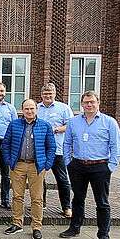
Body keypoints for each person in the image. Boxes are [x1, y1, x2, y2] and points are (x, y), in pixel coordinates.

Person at [59, 91, 120, 239]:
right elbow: (67, 143)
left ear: (98, 102)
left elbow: (117, 146)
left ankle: (103, 236)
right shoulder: (74, 122)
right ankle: (75, 227)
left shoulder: (109, 122)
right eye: (86, 102)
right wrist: (68, 162)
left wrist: (110, 167)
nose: (89, 105)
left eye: (92, 102)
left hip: (100, 166)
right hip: (78, 166)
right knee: (78, 199)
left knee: (102, 202)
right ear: (81, 104)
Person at [2, 99, 56, 239]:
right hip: (18, 165)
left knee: (37, 198)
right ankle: (17, 223)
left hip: (36, 166)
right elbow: (5, 144)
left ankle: (36, 227)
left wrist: (46, 164)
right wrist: (9, 161)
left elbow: (51, 147)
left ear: (37, 109)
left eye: (32, 108)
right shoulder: (14, 125)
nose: (29, 111)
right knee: (17, 196)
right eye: (26, 109)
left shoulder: (45, 126)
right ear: (22, 110)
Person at [36, 83, 73, 217]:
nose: (48, 96)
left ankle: (66, 206)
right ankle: (42, 203)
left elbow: (70, 126)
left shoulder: (63, 108)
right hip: (40, 149)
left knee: (62, 179)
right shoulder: (37, 108)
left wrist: (55, 130)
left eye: (50, 94)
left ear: (55, 94)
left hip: (57, 149)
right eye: (45, 94)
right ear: (41, 95)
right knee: (40, 178)